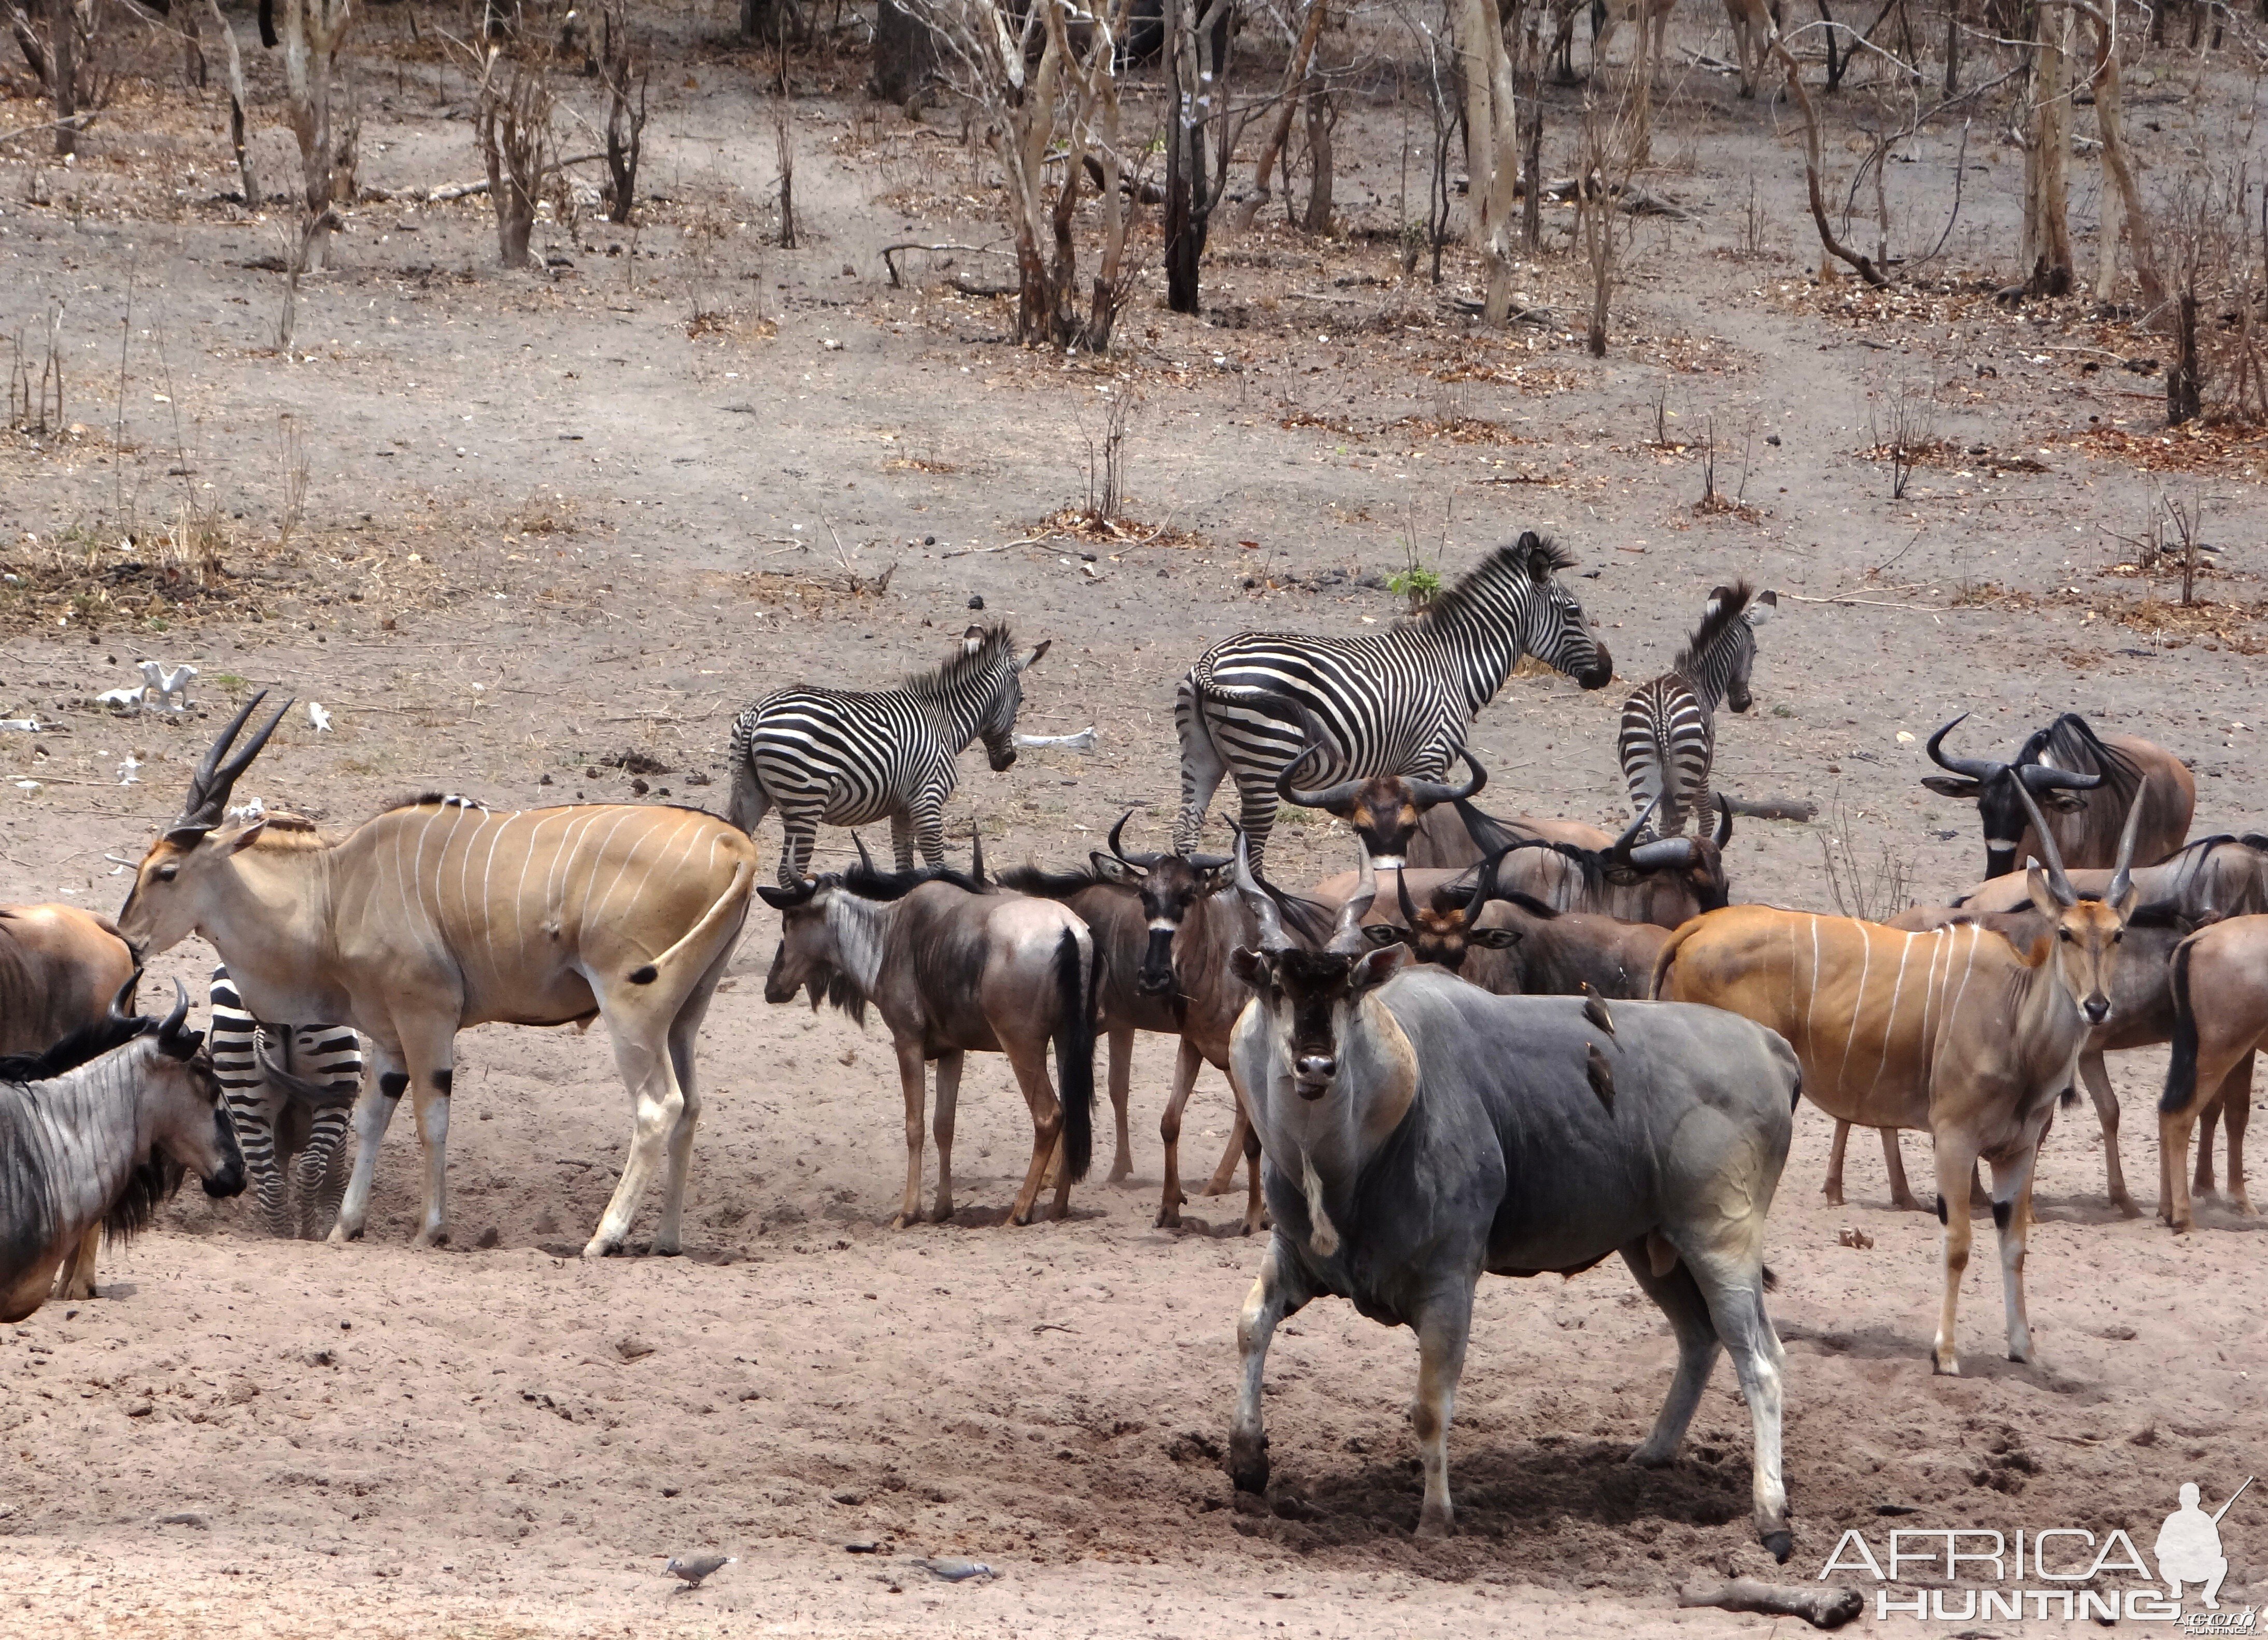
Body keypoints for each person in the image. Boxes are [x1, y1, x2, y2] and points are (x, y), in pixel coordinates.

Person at [2155, 1482, 2230, 1609]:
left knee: (2221, 1563)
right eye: (2186, 1496)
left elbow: (2217, 1549)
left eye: (2193, 1496)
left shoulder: (2206, 1520)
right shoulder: (2172, 1519)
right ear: (2180, 1499)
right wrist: (2179, 1551)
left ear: (2198, 1499)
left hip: (2199, 1567)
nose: (2189, 1499)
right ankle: (2176, 1586)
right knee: (2165, 1561)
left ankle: (2209, 1596)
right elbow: (2160, 1549)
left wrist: (2201, 1551)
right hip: (2177, 1568)